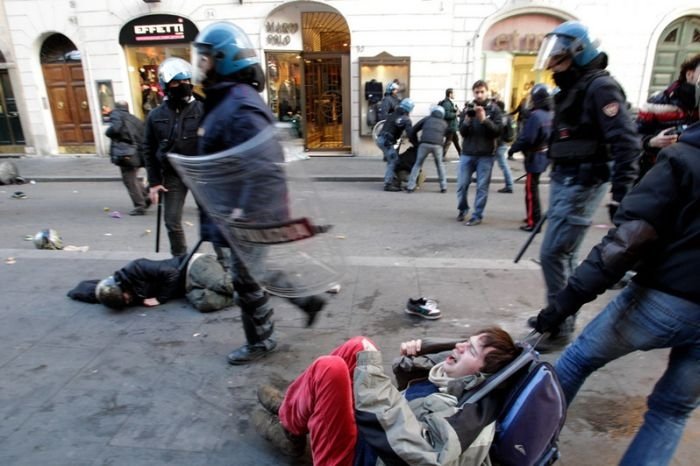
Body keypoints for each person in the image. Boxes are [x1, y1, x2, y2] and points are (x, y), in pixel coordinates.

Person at [531, 121, 700, 466]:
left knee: (577, 360)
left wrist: (564, 303)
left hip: (666, 299)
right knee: (672, 410)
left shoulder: (683, 158)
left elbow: (625, 244)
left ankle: (519, 445)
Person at [191, 21, 326, 365]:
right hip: (238, 210)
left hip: (246, 213)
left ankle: (261, 340)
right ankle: (306, 301)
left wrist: (243, 213)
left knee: (245, 279)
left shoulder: (239, 104)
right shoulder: (227, 100)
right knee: (251, 273)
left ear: (224, 60)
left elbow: (265, 165)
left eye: (205, 58)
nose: (201, 65)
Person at [526, 21, 640, 348]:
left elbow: (625, 143)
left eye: (558, 60)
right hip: (567, 180)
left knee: (554, 254)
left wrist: (622, 196)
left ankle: (559, 327)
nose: (552, 67)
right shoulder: (576, 88)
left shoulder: (601, 87)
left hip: (583, 182)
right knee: (565, 254)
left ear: (578, 53)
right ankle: (560, 315)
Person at [252, 327, 518, 465]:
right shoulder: (453, 382)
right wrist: (417, 357)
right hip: (372, 440)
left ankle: (290, 426)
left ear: (481, 375)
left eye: (470, 350)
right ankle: (292, 416)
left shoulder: (465, 416)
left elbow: (420, 452)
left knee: (329, 369)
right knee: (357, 345)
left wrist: (371, 368)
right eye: (465, 340)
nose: (459, 346)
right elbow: (408, 396)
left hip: (362, 459)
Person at [143, 57, 204, 257]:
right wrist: (154, 182)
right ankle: (180, 260)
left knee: (212, 218)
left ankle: (225, 262)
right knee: (171, 221)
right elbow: (148, 149)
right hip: (172, 173)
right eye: (177, 83)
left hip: (199, 172)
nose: (183, 86)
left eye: (186, 82)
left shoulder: (202, 109)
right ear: (166, 86)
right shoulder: (155, 115)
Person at [86, 254, 232, 312]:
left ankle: (251, 286)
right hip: (188, 287)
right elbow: (84, 290)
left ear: (120, 286)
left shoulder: (137, 267)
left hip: (193, 265)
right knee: (205, 304)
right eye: (124, 302)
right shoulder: (120, 295)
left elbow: (172, 273)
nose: (128, 300)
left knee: (223, 285)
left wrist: (159, 299)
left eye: (125, 297)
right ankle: (246, 296)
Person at [635, 53, 700, 181]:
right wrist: (651, 141)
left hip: (692, 176)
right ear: (690, 74)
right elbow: (633, 136)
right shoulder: (657, 102)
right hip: (656, 172)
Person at [456, 80, 503, 226]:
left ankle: (477, 215)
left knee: (482, 187)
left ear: (487, 92)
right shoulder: (468, 108)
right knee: (462, 184)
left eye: (482, 91)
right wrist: (467, 121)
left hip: (486, 155)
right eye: (477, 92)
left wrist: (484, 120)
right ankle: (463, 208)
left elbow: (497, 132)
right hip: (468, 153)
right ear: (473, 93)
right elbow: (462, 132)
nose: (479, 95)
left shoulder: (494, 110)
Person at [508, 84, 553, 232]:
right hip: (544, 155)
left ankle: (534, 221)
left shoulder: (536, 116)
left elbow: (527, 138)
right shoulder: (551, 114)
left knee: (530, 191)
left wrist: (513, 149)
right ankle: (533, 216)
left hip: (534, 157)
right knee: (532, 189)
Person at [105, 101, 150, 216]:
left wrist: (108, 132)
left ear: (117, 107)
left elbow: (115, 129)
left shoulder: (116, 114)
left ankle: (140, 205)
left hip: (125, 152)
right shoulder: (134, 118)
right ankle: (145, 197)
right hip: (136, 152)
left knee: (129, 179)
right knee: (133, 177)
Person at [406, 104, 448, 193]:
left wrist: (415, 142)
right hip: (438, 145)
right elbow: (445, 135)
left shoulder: (426, 119)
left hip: (424, 143)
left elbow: (414, 129)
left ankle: (410, 186)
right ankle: (443, 186)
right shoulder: (444, 123)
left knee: (417, 164)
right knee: (440, 165)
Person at [376, 97, 414, 191]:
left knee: (392, 160)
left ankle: (393, 179)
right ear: (409, 109)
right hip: (386, 141)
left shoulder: (394, 113)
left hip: (382, 139)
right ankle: (388, 184)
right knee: (393, 160)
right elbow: (410, 133)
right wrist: (415, 142)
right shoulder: (404, 118)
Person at [493, 100, 515, 194]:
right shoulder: (508, 116)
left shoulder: (501, 117)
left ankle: (509, 185)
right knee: (487, 162)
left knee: (503, 164)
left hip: (500, 144)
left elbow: (498, 132)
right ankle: (479, 178)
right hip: (505, 143)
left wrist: (495, 145)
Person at [439, 88, 462, 160]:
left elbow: (453, 112)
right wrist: (455, 114)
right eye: (453, 93)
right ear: (450, 94)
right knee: (448, 141)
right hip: (449, 126)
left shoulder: (450, 102)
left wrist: (457, 112)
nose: (454, 95)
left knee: (456, 141)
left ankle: (461, 155)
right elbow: (446, 115)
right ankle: (441, 156)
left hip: (452, 126)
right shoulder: (446, 103)